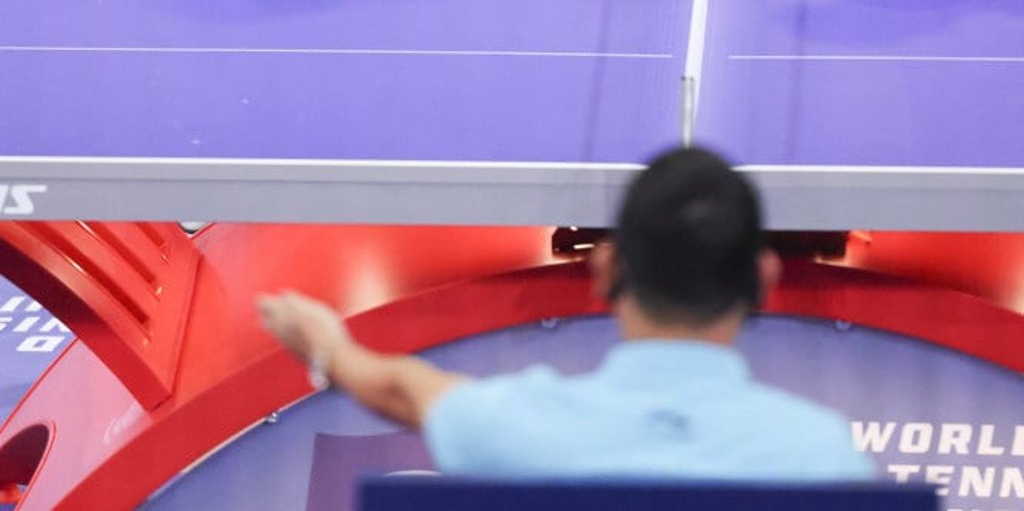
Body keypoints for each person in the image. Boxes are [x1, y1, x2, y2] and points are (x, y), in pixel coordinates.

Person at [258, 146, 872, 481]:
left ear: (606, 268)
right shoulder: (822, 457)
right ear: (764, 277)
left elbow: (405, 392)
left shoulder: (520, 428)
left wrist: (328, 349)